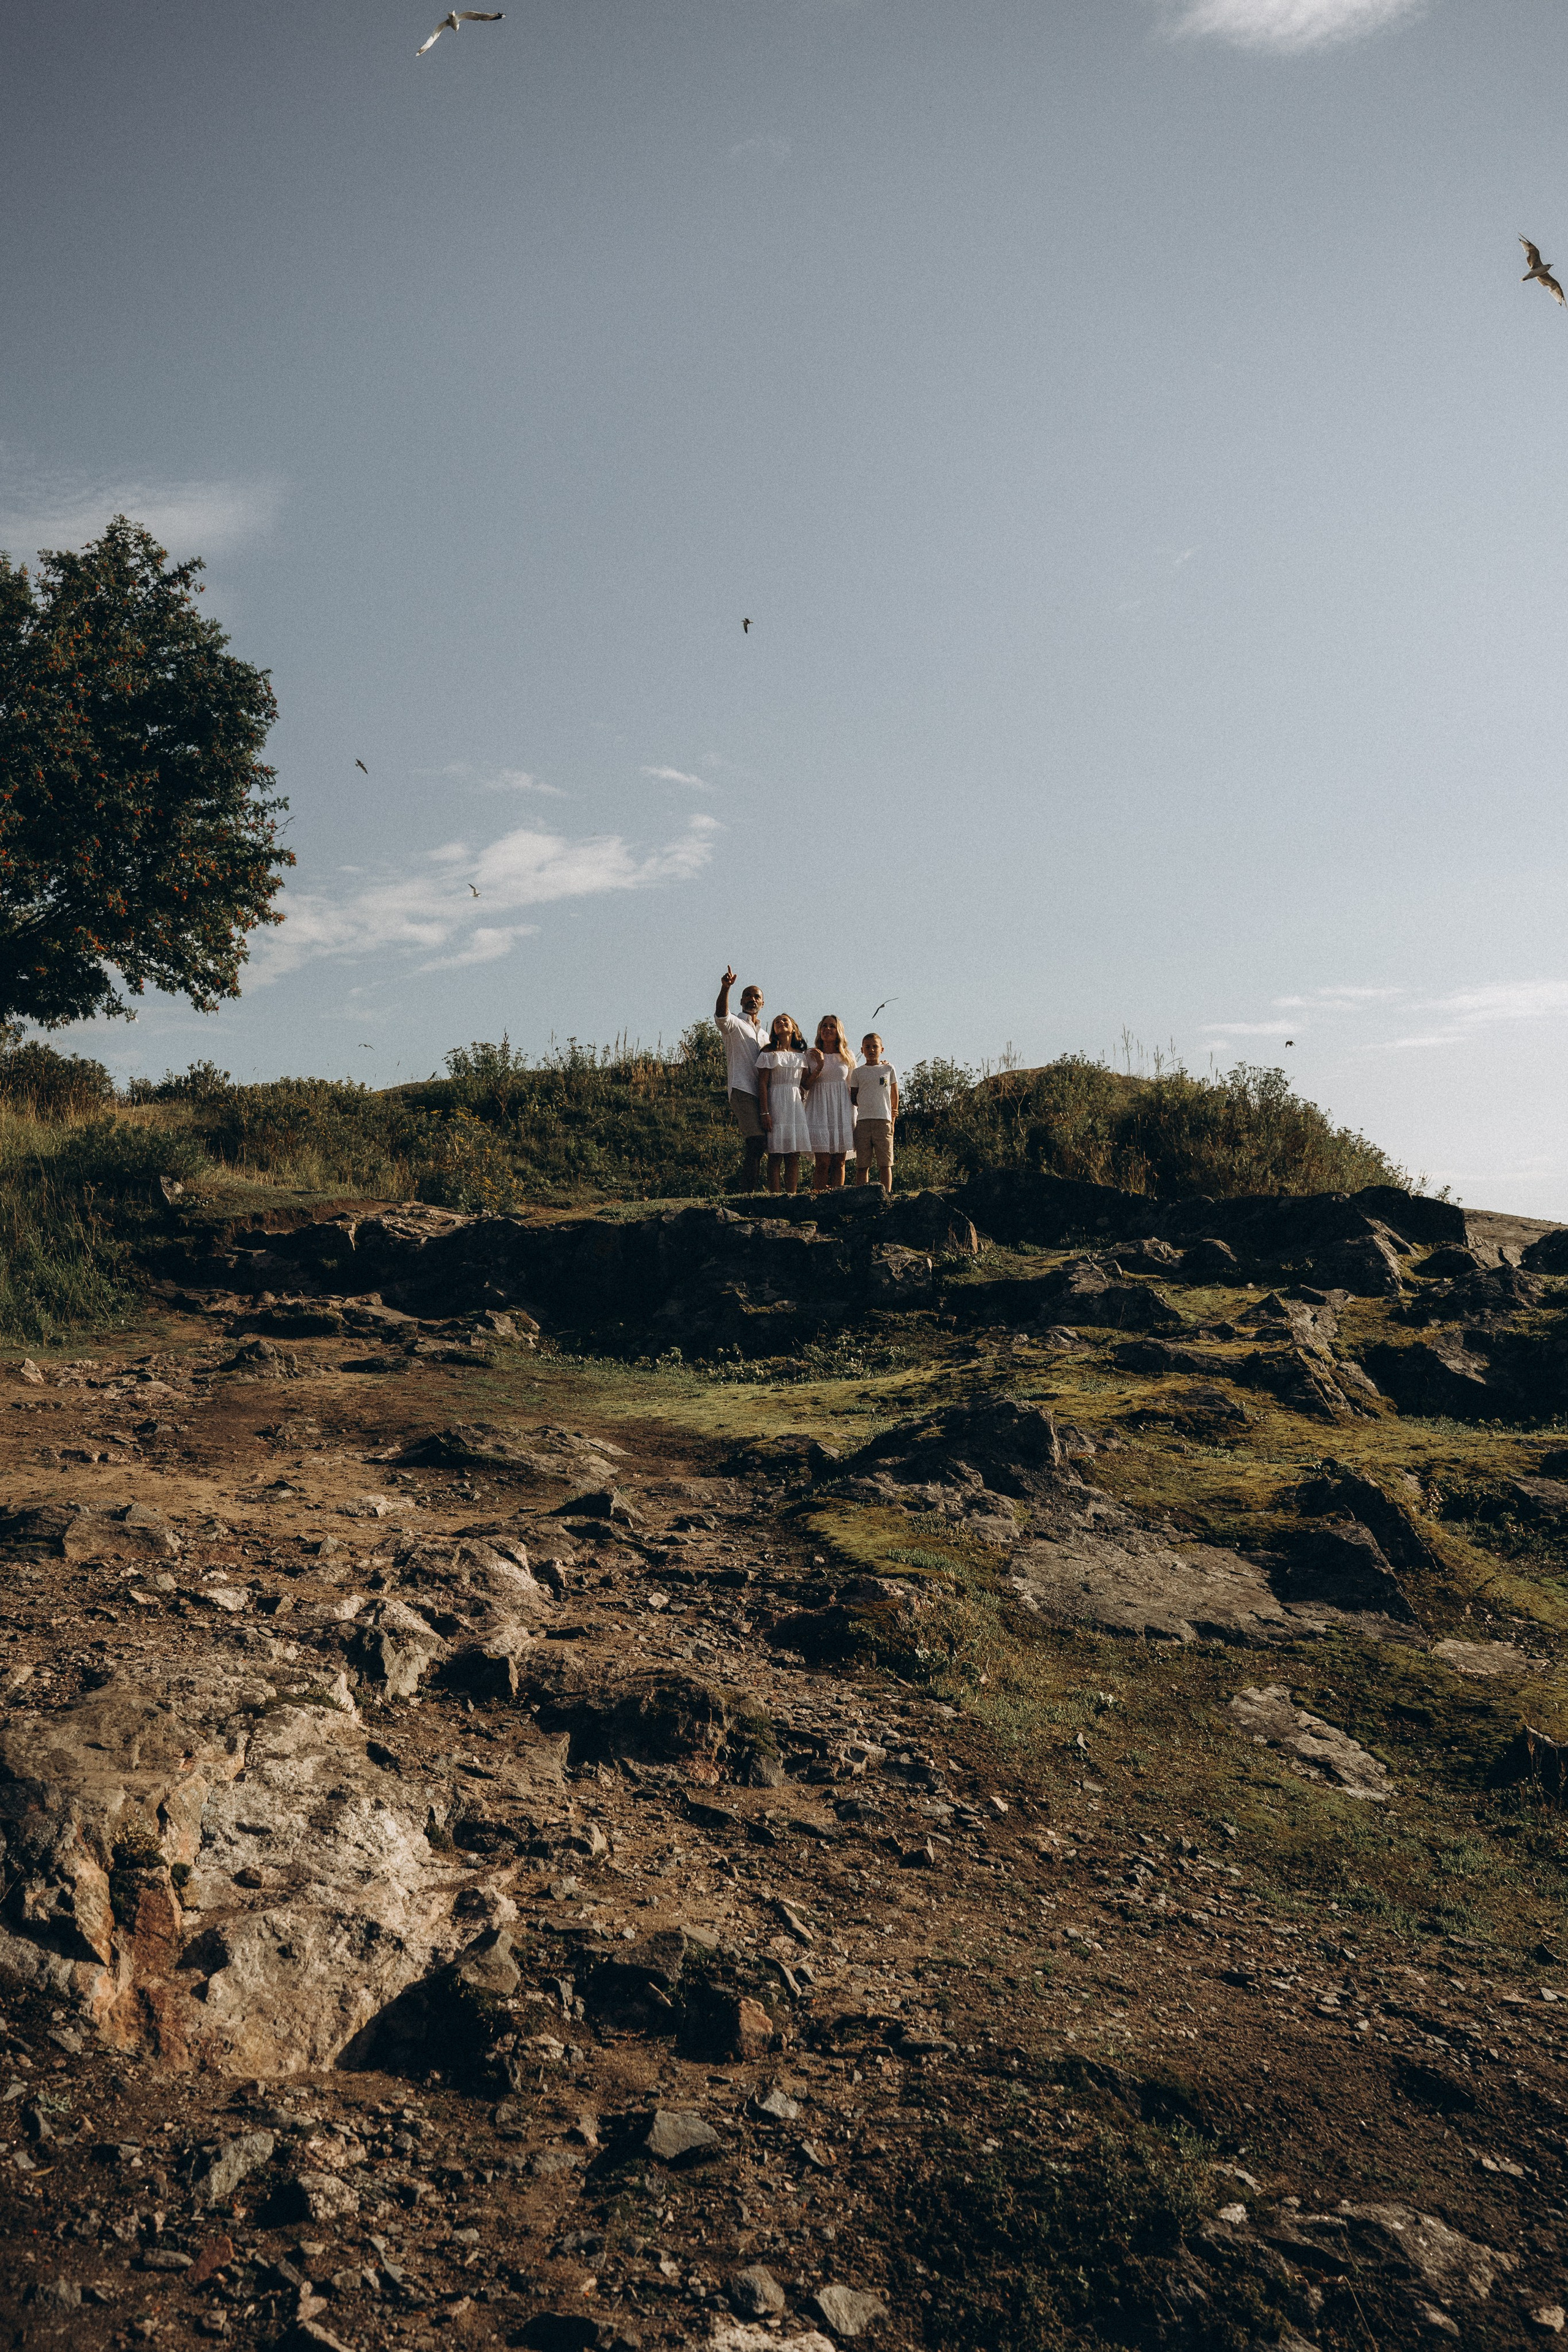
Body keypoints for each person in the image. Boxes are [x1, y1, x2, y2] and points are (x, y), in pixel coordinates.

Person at [714, 965, 766, 1189]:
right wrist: (725, 988)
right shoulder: (735, 1024)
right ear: (741, 1001)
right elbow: (721, 1015)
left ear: (762, 1004)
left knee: (763, 1143)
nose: (752, 999)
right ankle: (748, 1191)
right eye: (747, 995)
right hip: (742, 1088)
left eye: (757, 997)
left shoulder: (765, 1035)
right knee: (756, 1140)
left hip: (763, 1093)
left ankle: (752, 1187)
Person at [754, 1013, 811, 1195]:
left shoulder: (801, 1056)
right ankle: (776, 1195)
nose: (781, 1022)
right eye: (777, 1021)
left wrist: (819, 1068)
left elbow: (806, 1083)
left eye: (785, 1020)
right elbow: (762, 1083)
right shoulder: (768, 1053)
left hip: (795, 1105)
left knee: (793, 1155)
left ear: (793, 1027)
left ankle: (792, 1195)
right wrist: (765, 1112)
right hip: (776, 1102)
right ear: (774, 1030)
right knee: (776, 1154)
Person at [801, 1014, 855, 1193]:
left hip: (841, 1109)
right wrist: (820, 1065)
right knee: (823, 1162)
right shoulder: (810, 1054)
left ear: (838, 1031)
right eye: (824, 1026)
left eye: (832, 1026)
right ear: (819, 1030)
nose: (827, 1029)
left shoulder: (847, 1056)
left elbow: (852, 1085)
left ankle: (838, 1199)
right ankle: (820, 1199)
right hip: (818, 1109)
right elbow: (806, 1084)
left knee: (839, 1161)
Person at [850, 1031, 899, 1191]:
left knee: (885, 1163)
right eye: (867, 1047)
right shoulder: (857, 1072)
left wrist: (893, 1118)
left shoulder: (888, 1069)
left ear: (882, 1049)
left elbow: (894, 1094)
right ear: (862, 1050)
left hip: (883, 1121)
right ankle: (861, 1196)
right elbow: (854, 1097)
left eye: (875, 1047)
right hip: (863, 1122)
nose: (871, 1050)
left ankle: (887, 1195)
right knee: (863, 1164)